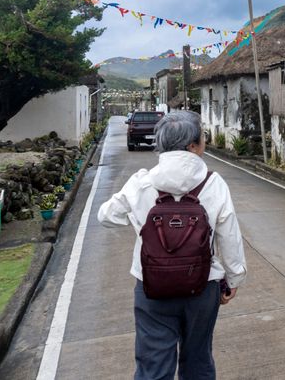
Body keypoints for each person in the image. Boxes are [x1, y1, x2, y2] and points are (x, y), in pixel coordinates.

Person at [98, 111, 247, 379]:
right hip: (203, 287)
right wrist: (234, 279)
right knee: (198, 360)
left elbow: (106, 215)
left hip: (152, 287)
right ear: (192, 146)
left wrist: (140, 222)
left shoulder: (142, 181)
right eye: (203, 137)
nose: (204, 141)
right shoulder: (213, 183)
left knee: (153, 365)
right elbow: (230, 235)